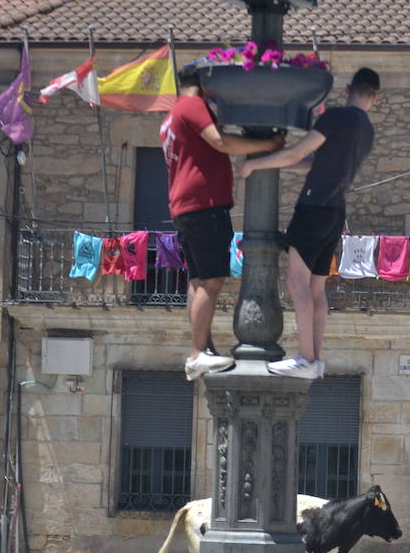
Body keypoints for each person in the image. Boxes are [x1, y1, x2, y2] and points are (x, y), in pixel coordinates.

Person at [241, 67, 381, 379]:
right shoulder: (367, 131)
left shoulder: (336, 117)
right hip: (334, 211)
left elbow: (297, 154)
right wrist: (274, 166)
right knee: (316, 288)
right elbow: (313, 164)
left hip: (313, 207)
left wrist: (255, 164)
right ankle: (315, 359)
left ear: (348, 89)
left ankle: (305, 357)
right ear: (375, 97)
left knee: (296, 283)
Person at [161, 64, 283, 380]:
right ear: (202, 84)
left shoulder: (171, 116)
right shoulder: (192, 105)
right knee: (212, 282)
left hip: (185, 207)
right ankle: (198, 353)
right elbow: (220, 142)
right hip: (204, 205)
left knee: (198, 281)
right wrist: (266, 146)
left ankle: (204, 349)